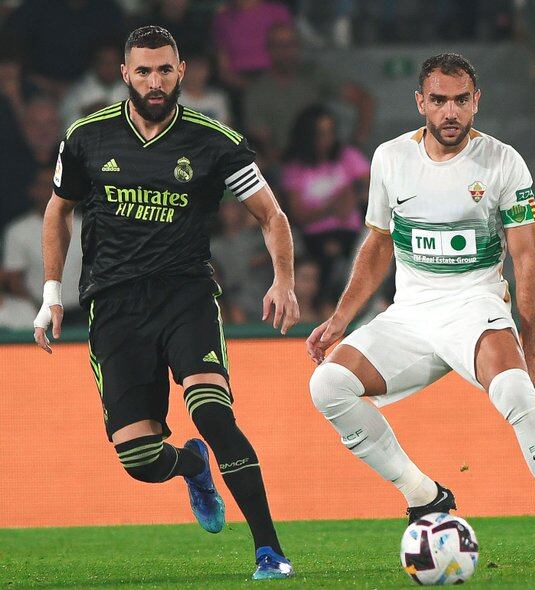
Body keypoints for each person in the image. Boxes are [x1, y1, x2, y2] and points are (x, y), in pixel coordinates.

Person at [306, 53, 535, 563]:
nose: (450, 112)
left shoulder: (504, 163)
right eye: (438, 100)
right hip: (412, 314)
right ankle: (424, 496)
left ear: (476, 102)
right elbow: (378, 244)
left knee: (515, 390)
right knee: (327, 385)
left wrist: (532, 353)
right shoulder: (391, 159)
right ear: (420, 102)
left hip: (475, 307)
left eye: (460, 100)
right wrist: (339, 320)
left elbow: (526, 259)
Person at [33, 26, 299, 580]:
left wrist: (284, 280)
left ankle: (269, 551)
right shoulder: (86, 137)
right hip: (113, 305)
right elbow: (57, 211)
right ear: (125, 75)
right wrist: (51, 293)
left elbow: (272, 214)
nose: (155, 81)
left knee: (212, 413)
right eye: (144, 71)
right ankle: (190, 465)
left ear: (181, 72)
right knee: (140, 461)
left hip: (186, 295)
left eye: (165, 70)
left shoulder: (214, 141)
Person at [244, 22, 373, 159]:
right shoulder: (258, 90)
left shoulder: (314, 75)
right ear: (268, 49)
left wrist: (357, 142)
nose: (285, 51)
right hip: (285, 163)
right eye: (279, 45)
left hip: (325, 159)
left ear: (299, 46)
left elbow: (363, 99)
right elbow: (261, 141)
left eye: (290, 44)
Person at [281, 104, 369, 297]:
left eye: (330, 132)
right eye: (321, 134)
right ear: (307, 135)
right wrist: (331, 207)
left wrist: (353, 195)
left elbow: (374, 186)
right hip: (314, 238)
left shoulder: (347, 156)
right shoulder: (295, 168)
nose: (327, 139)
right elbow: (298, 215)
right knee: (327, 259)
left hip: (352, 232)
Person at [3, 166, 83, 323]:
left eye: (57, 185)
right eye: (45, 185)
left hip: (83, 314)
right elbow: (13, 278)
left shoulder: (86, 226)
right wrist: (34, 309)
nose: (51, 191)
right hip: (38, 315)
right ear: (32, 190)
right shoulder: (18, 231)